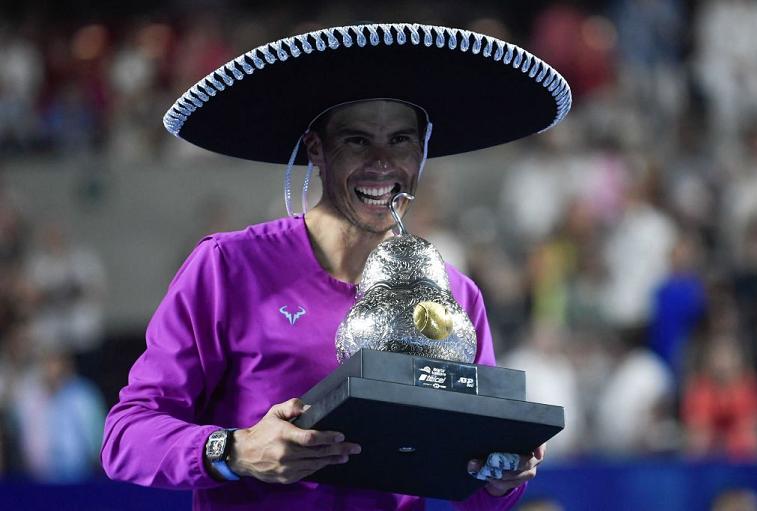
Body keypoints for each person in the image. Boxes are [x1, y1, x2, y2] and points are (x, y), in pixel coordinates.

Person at [101, 23, 571, 510]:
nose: (383, 164)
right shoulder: (228, 268)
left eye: (401, 141)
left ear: (422, 150)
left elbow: (475, 493)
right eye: (358, 142)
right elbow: (125, 436)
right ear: (316, 150)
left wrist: (502, 478)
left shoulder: (456, 294)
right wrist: (235, 451)